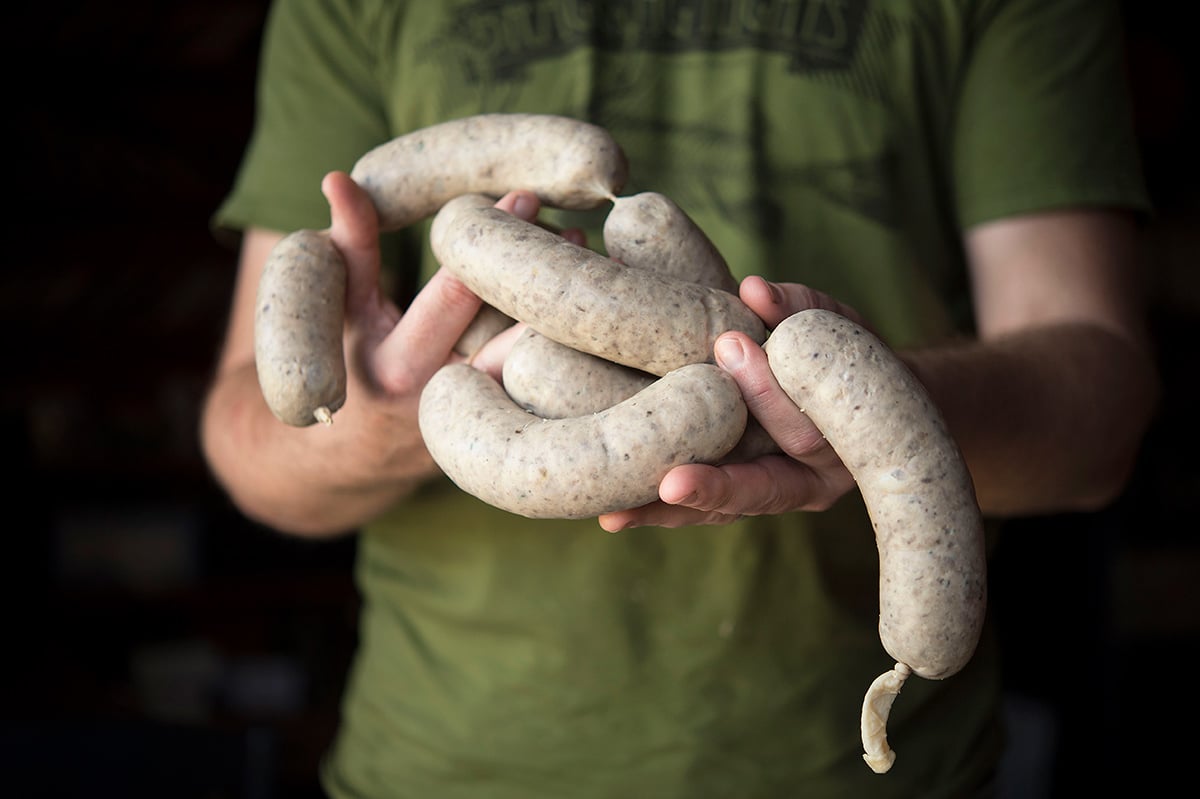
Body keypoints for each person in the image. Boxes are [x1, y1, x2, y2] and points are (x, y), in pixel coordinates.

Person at [201, 1, 1159, 796]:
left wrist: (871, 412)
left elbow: (1105, 412)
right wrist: (382, 413)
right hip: (439, 769)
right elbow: (254, 444)